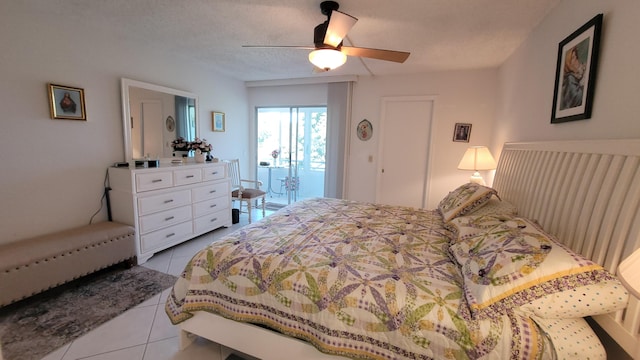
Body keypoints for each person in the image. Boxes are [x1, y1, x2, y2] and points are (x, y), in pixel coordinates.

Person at [560, 45, 587, 110]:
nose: (576, 60)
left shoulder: (576, 76)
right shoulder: (570, 78)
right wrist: (583, 82)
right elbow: (576, 99)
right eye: (573, 58)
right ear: (568, 63)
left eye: (576, 57)